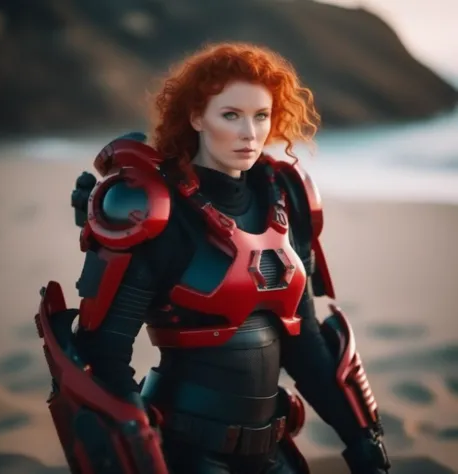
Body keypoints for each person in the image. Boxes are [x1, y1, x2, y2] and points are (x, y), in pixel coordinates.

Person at [36, 42, 390, 474]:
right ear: (196, 117)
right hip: (185, 452)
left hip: (272, 451)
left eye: (261, 116)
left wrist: (362, 440)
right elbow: (104, 355)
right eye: (231, 115)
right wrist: (142, 448)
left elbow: (307, 345)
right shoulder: (155, 211)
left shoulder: (283, 199)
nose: (250, 133)